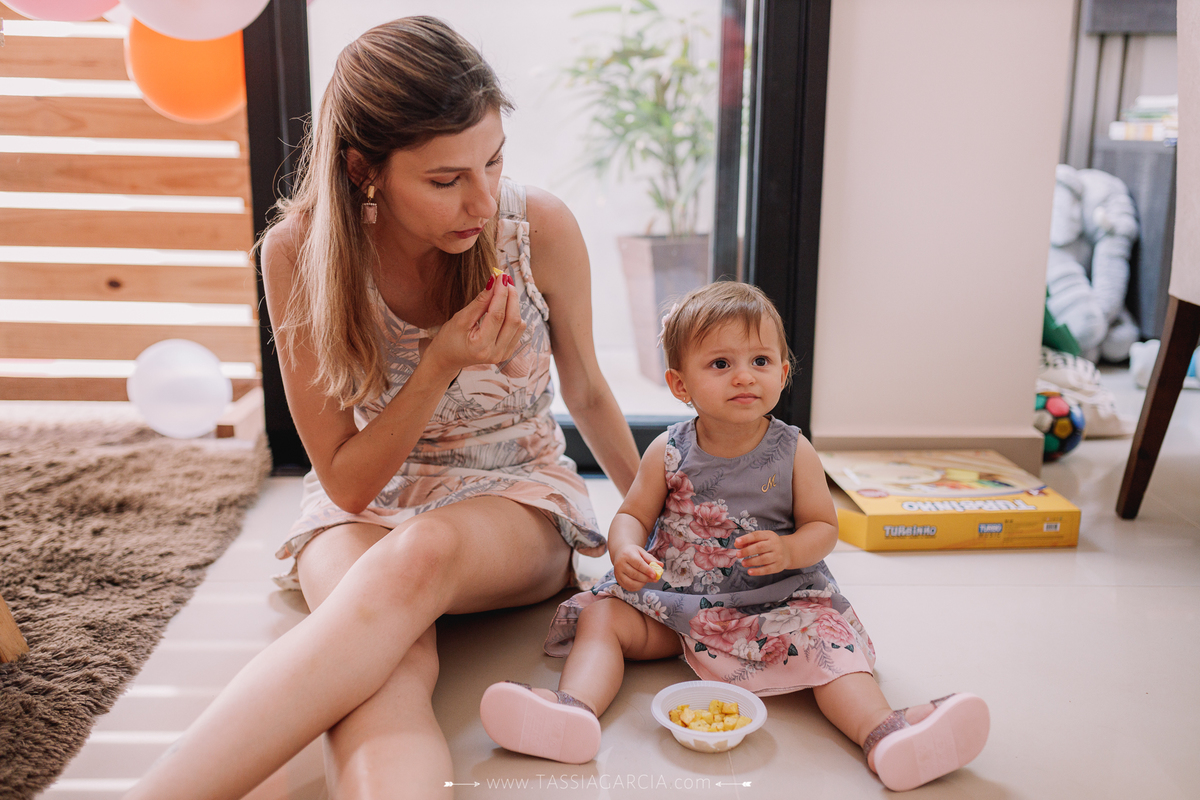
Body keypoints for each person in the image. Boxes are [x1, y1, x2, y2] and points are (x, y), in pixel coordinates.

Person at [123, 17, 638, 800]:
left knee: (418, 556)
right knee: (388, 666)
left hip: (516, 497)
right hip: (365, 499)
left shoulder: (541, 228)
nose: (482, 198)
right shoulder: (297, 254)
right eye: (444, 180)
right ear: (366, 170)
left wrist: (655, 519)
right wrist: (438, 366)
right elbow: (349, 485)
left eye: (493, 161)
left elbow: (590, 393)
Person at [480, 282, 991, 792]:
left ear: (783, 373)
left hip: (776, 605)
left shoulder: (794, 451)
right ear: (681, 385)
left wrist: (791, 549)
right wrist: (625, 548)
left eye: (761, 361)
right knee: (602, 616)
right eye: (721, 364)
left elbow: (824, 527)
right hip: (678, 604)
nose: (744, 376)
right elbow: (632, 513)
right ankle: (574, 710)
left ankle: (885, 734)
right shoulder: (669, 449)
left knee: (829, 646)